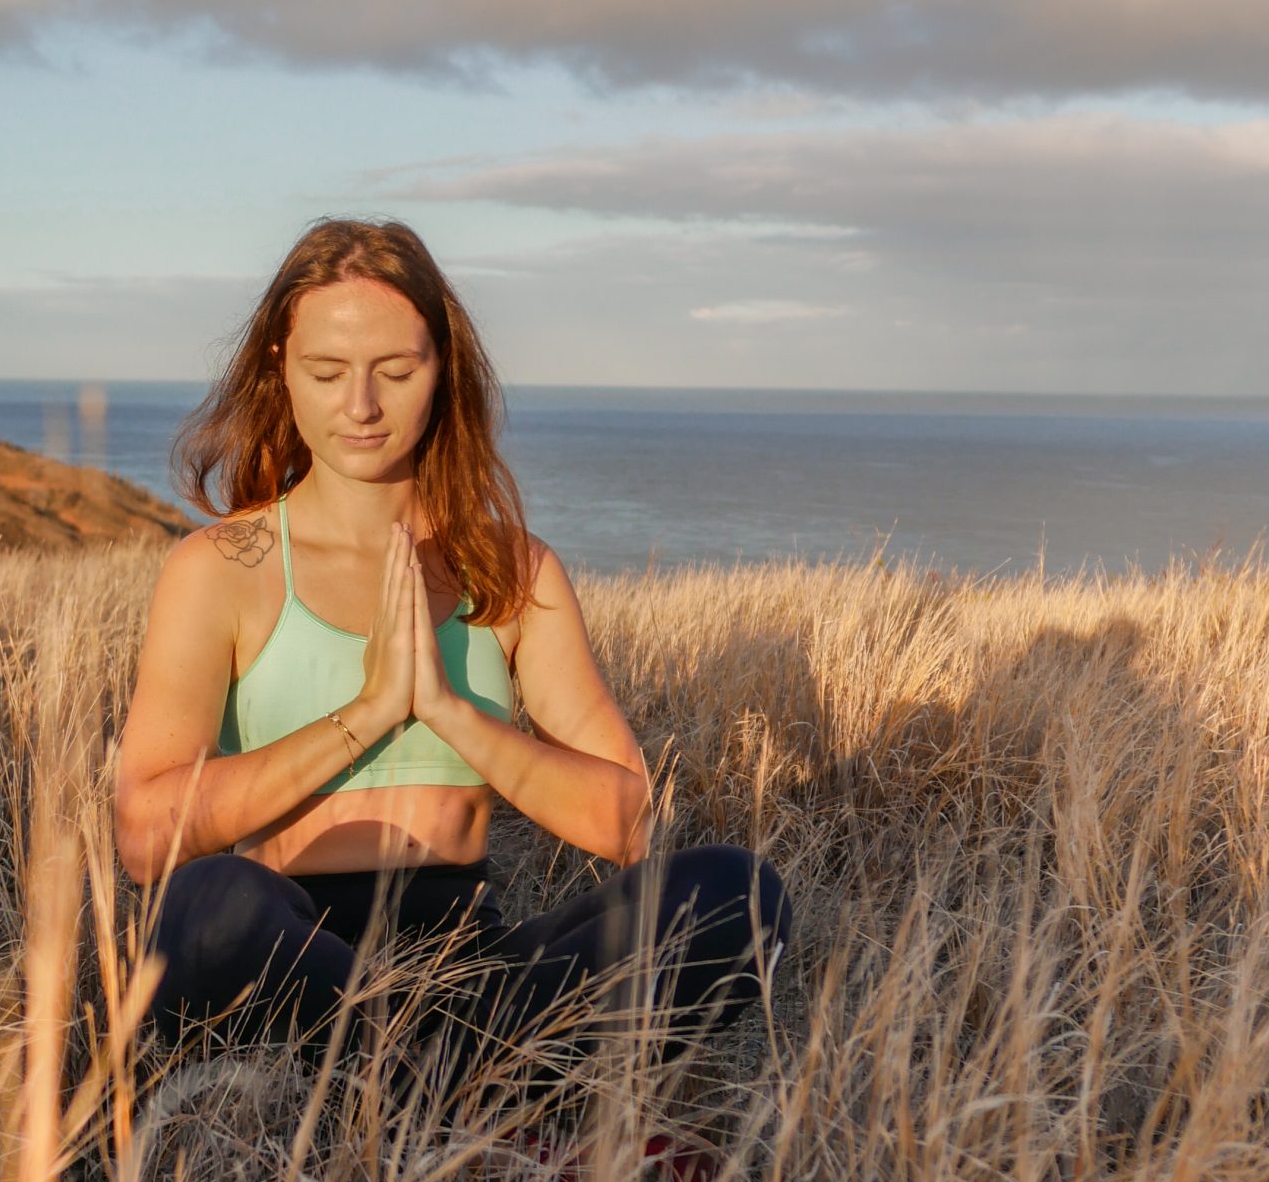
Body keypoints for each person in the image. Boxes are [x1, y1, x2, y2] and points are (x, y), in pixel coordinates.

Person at [112, 218, 789, 1063]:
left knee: (737, 894)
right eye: (328, 372)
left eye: (396, 371)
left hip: (471, 962)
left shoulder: (512, 570)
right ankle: (493, 1081)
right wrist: (366, 713)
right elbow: (145, 836)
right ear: (281, 367)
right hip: (293, 953)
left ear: (443, 370)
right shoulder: (219, 568)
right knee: (205, 904)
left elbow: (625, 821)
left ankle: (422, 1076)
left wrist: (443, 710)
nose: (361, 406)